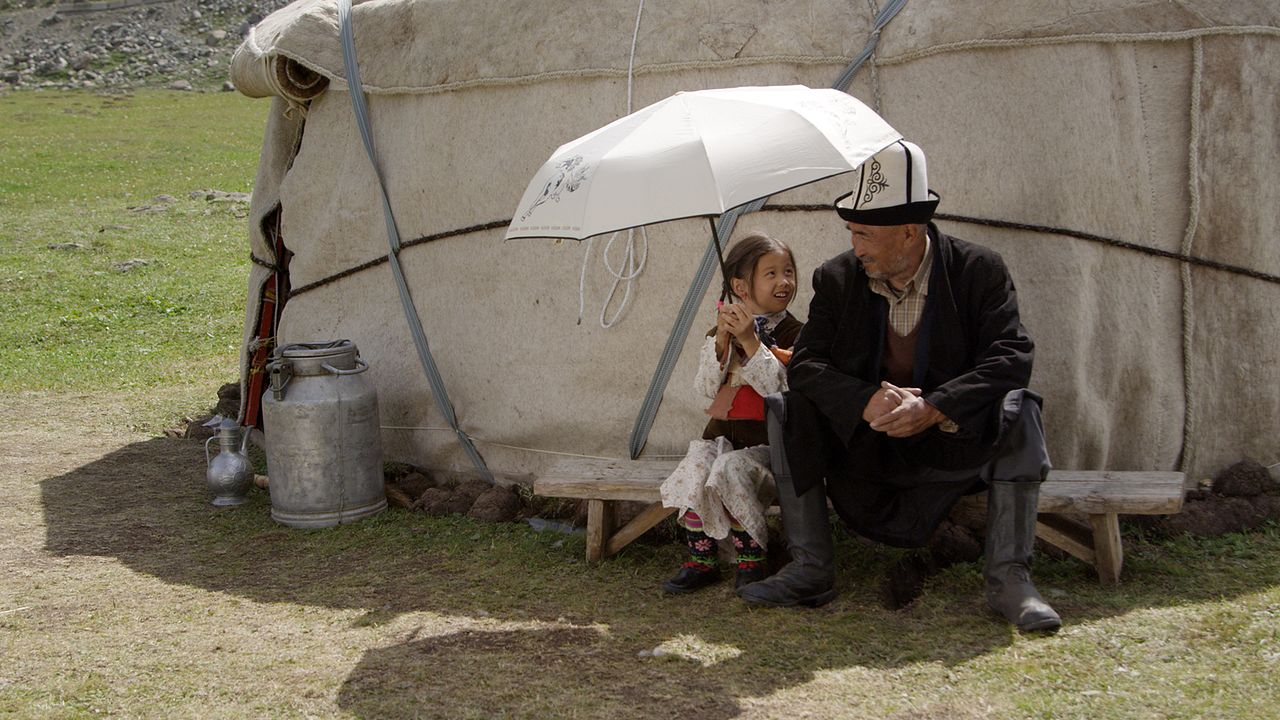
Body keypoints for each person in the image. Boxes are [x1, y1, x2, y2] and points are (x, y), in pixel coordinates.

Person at [737, 140, 1061, 632]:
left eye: (865, 234)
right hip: (868, 450)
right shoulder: (838, 279)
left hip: (954, 445)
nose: (856, 246)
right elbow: (806, 365)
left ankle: (1010, 580)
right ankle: (811, 569)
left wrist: (935, 406)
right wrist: (864, 399)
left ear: (909, 232)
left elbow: (1012, 357)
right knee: (789, 407)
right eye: (852, 232)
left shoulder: (979, 271)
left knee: (1022, 409)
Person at [659, 234, 802, 593]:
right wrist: (723, 342)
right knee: (696, 462)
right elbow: (706, 389)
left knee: (729, 468)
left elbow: (781, 390)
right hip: (723, 437)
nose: (784, 281)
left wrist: (752, 342)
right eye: (771, 274)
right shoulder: (718, 332)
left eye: (788, 272)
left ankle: (752, 561)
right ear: (740, 286)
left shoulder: (798, 333)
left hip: (773, 449)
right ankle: (701, 560)